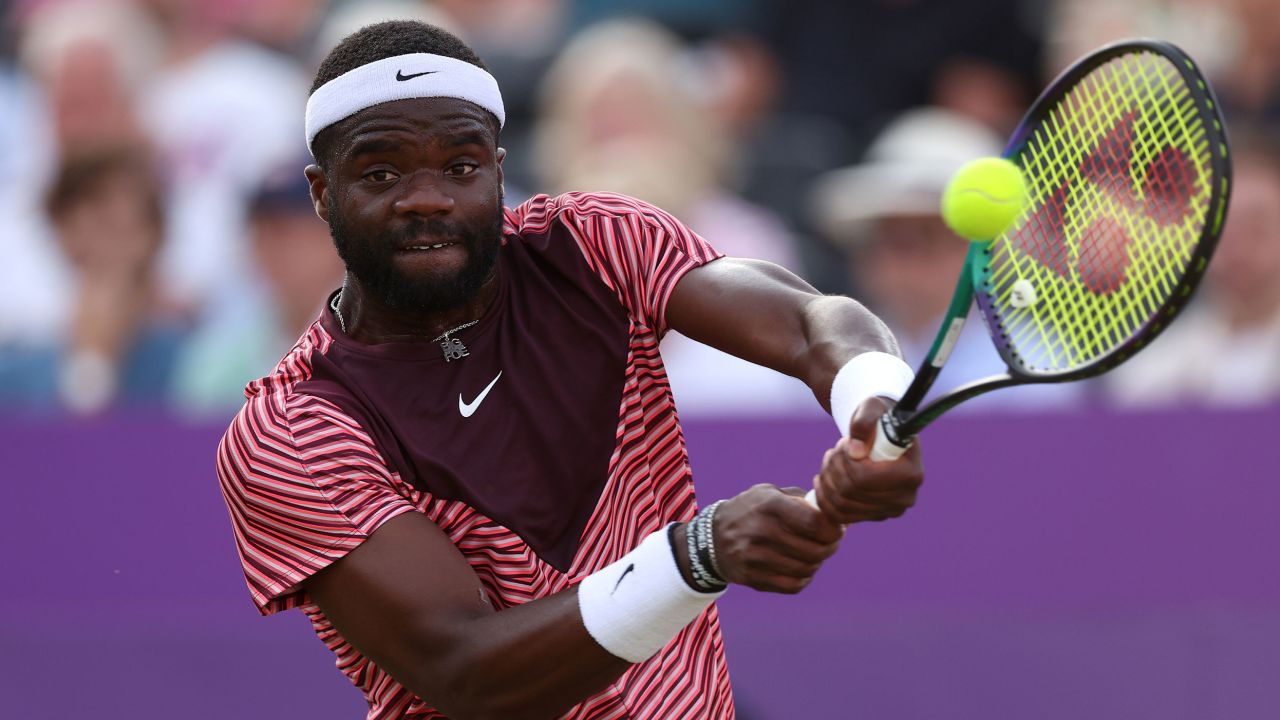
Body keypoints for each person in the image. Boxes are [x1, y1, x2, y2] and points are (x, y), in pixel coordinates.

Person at [216, 20, 924, 720]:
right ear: (320, 191)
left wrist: (874, 402)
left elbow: (811, 321)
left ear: (498, 169)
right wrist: (695, 555)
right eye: (380, 172)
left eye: (460, 166)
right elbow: (467, 673)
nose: (426, 197)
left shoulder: (595, 245)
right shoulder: (291, 429)